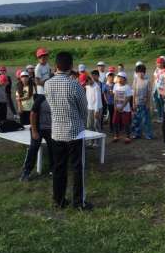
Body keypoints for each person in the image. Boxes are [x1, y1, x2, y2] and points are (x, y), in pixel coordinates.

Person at [44, 51, 92, 211]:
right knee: (77, 168)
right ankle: (79, 203)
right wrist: (81, 122)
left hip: (57, 131)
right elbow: (84, 110)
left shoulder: (47, 84)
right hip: (74, 131)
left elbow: (50, 104)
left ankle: (58, 200)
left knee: (59, 167)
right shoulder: (75, 85)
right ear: (71, 66)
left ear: (55, 66)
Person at [20, 92, 54, 181]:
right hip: (38, 128)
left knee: (53, 147)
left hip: (51, 129)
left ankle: (53, 169)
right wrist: (34, 131)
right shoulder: (41, 99)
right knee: (33, 148)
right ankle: (26, 171)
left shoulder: (58, 99)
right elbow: (32, 114)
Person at [131, 63, 153, 139]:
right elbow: (134, 93)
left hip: (144, 103)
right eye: (138, 72)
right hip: (137, 103)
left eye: (142, 72)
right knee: (136, 119)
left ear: (144, 72)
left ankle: (148, 134)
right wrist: (133, 103)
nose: (140, 74)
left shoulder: (147, 81)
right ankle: (137, 133)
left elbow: (149, 93)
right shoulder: (135, 80)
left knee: (146, 120)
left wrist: (148, 103)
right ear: (136, 73)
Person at [112, 71, 133, 143]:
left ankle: (128, 136)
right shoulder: (115, 85)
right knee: (115, 121)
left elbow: (128, 98)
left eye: (121, 78)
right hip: (117, 107)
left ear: (125, 79)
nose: (119, 79)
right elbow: (115, 96)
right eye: (118, 77)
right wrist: (115, 105)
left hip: (125, 108)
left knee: (126, 123)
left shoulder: (127, 87)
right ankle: (116, 135)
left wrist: (122, 106)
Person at [86, 71, 103, 144]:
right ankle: (91, 141)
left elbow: (97, 100)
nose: (87, 83)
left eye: (88, 81)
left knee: (96, 125)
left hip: (97, 108)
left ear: (91, 79)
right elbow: (87, 98)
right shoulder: (87, 87)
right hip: (90, 108)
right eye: (86, 82)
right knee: (90, 125)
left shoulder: (96, 87)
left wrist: (96, 111)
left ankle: (97, 142)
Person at [153, 56, 165, 123]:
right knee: (157, 103)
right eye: (157, 63)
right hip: (156, 89)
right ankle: (159, 117)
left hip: (162, 89)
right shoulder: (156, 70)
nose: (158, 64)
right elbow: (154, 79)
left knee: (162, 104)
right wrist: (153, 89)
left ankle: (164, 117)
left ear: (163, 63)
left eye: (160, 63)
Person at [104, 68, 116, 135]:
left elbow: (117, 93)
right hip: (109, 103)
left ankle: (116, 127)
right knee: (111, 115)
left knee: (115, 115)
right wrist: (106, 100)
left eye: (112, 77)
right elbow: (104, 93)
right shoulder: (106, 85)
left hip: (115, 103)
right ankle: (111, 128)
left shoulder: (115, 85)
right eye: (110, 77)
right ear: (107, 78)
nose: (111, 78)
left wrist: (113, 93)